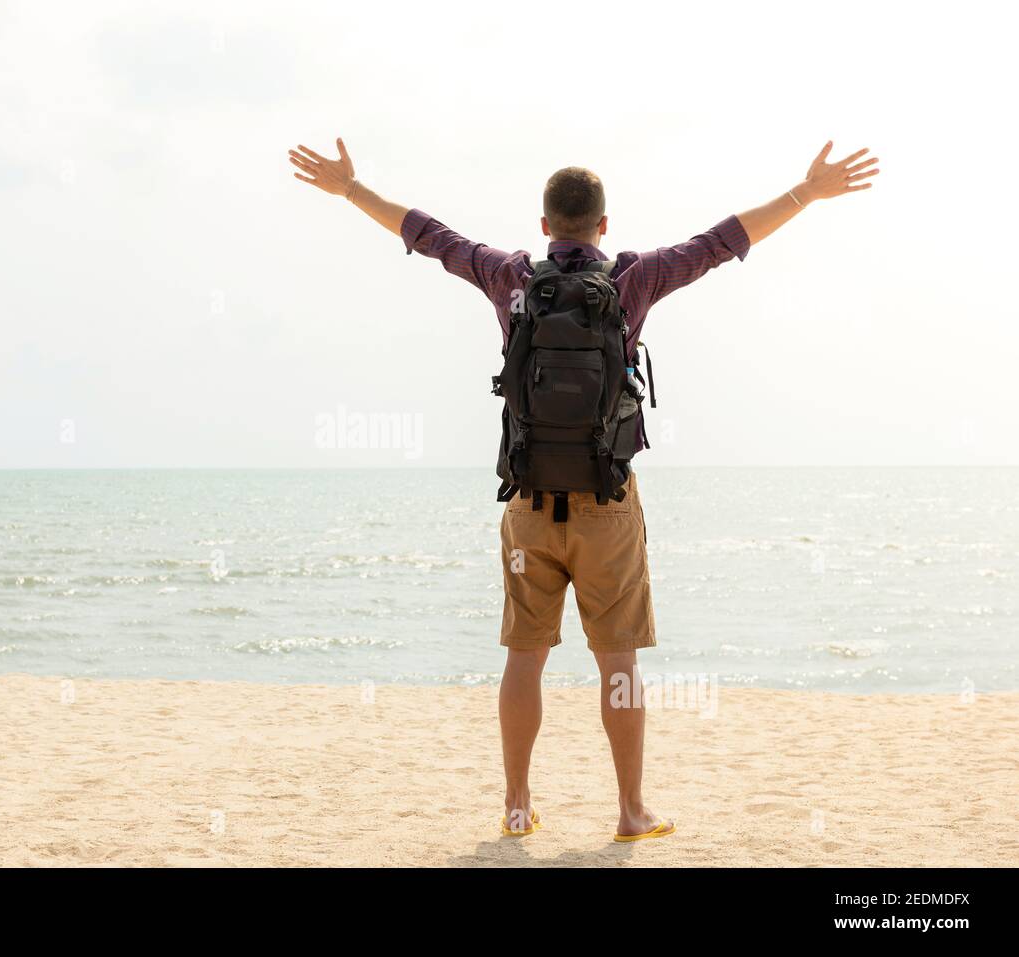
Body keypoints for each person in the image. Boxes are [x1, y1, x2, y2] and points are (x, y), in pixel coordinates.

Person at [288, 138, 879, 841]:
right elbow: (721, 241)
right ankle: (629, 810)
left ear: (544, 227)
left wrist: (353, 190)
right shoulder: (634, 279)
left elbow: (430, 235)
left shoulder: (510, 276)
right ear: (604, 226)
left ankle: (515, 803)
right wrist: (805, 193)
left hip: (529, 507)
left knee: (524, 656)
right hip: (608, 505)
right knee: (618, 661)